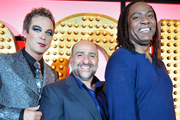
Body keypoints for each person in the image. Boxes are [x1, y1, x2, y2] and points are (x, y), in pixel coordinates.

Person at [105, 1, 176, 120]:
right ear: (125, 26)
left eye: (150, 16)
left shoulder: (159, 63)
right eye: (136, 17)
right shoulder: (121, 60)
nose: (145, 21)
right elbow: (122, 115)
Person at [0, 7, 58, 120]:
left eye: (48, 33)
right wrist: (19, 115)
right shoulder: (2, 62)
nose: (43, 37)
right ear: (25, 33)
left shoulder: (53, 74)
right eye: (37, 29)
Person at [39, 40, 109, 120]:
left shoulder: (105, 90)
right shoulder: (53, 92)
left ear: (97, 61)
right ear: (71, 60)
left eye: (92, 56)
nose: (86, 60)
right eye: (80, 55)